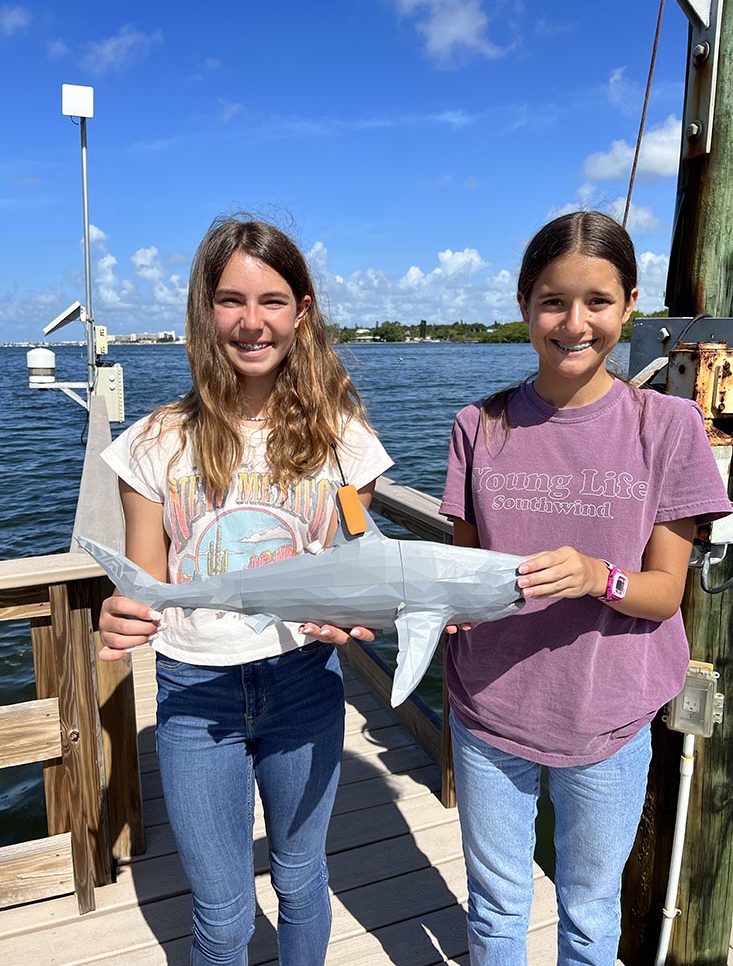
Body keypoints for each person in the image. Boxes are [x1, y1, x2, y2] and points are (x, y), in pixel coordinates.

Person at [439, 211, 732, 966]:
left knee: (589, 910)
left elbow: (665, 592)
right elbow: (464, 576)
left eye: (597, 301)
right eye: (552, 301)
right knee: (496, 908)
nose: (574, 323)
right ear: (523, 304)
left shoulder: (667, 426)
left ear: (629, 305)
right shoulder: (478, 424)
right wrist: (428, 608)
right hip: (488, 707)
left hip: (607, 716)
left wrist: (593, 574)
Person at [98, 216, 393, 966]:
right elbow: (147, 583)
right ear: (205, 310)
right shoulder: (152, 442)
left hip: (304, 683)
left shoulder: (343, 438)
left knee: (301, 883)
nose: (251, 321)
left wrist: (358, 614)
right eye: (230, 300)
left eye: (271, 300)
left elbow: (356, 555)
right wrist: (123, 613)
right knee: (222, 916)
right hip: (195, 697)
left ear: (302, 310)